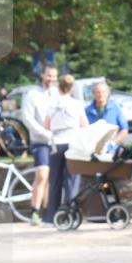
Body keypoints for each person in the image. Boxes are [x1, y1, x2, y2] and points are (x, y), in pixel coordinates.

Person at [44, 74, 88, 222]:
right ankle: (71, 215)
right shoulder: (76, 104)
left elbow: (47, 125)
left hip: (56, 143)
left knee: (55, 180)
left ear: (59, 87)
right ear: (71, 88)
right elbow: (84, 124)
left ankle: (51, 217)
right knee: (72, 180)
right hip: (72, 142)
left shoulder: (51, 104)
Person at [21, 63, 58, 225]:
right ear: (42, 75)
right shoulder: (32, 94)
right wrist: (45, 133)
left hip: (57, 141)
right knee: (42, 175)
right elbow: (26, 118)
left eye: (54, 76)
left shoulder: (57, 93)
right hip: (40, 140)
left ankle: (48, 213)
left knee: (51, 177)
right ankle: (35, 211)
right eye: (49, 75)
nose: (52, 79)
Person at [85, 82, 129, 153]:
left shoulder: (115, 108)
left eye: (103, 92)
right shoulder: (87, 111)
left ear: (108, 93)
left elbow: (124, 130)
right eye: (98, 92)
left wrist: (112, 143)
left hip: (112, 150)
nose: (101, 95)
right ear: (94, 94)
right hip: (93, 149)